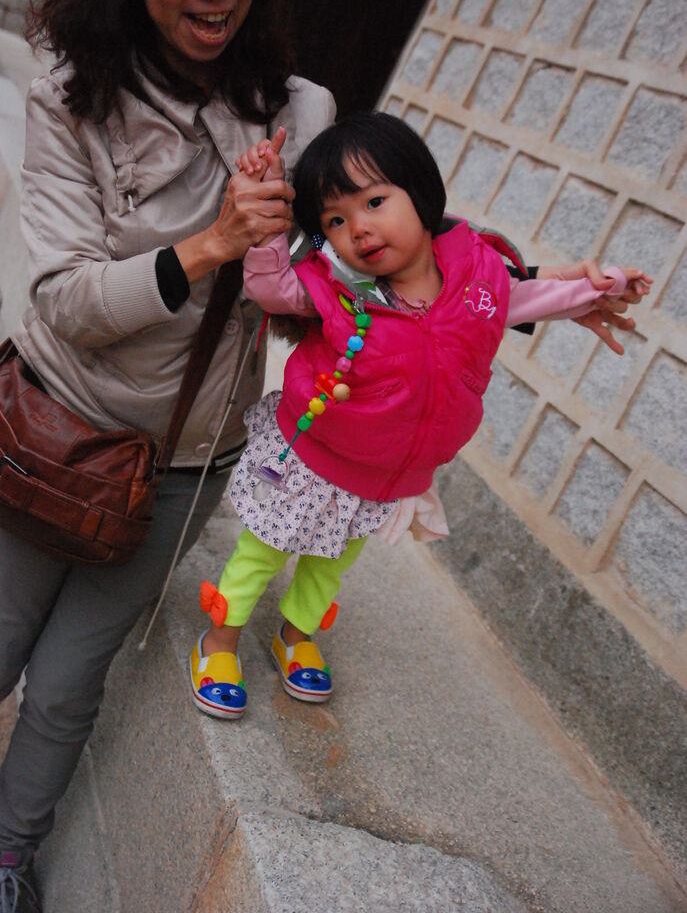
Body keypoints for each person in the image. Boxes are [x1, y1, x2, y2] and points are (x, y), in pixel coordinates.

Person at [0, 0, 337, 909]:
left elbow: (330, 279)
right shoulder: (70, 99)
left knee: (67, 687)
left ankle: (9, 858)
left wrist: (514, 292)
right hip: (54, 432)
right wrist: (213, 243)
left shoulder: (303, 113)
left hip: (183, 465)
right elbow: (67, 302)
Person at [189, 112, 651, 719]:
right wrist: (268, 204)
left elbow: (530, 296)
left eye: (375, 201)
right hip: (310, 459)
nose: (359, 228)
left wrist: (602, 284)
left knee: (330, 564)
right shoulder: (334, 285)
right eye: (335, 220)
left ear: (421, 192)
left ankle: (295, 637)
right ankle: (219, 642)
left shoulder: (478, 278)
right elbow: (270, 287)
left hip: (383, 476)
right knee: (264, 550)